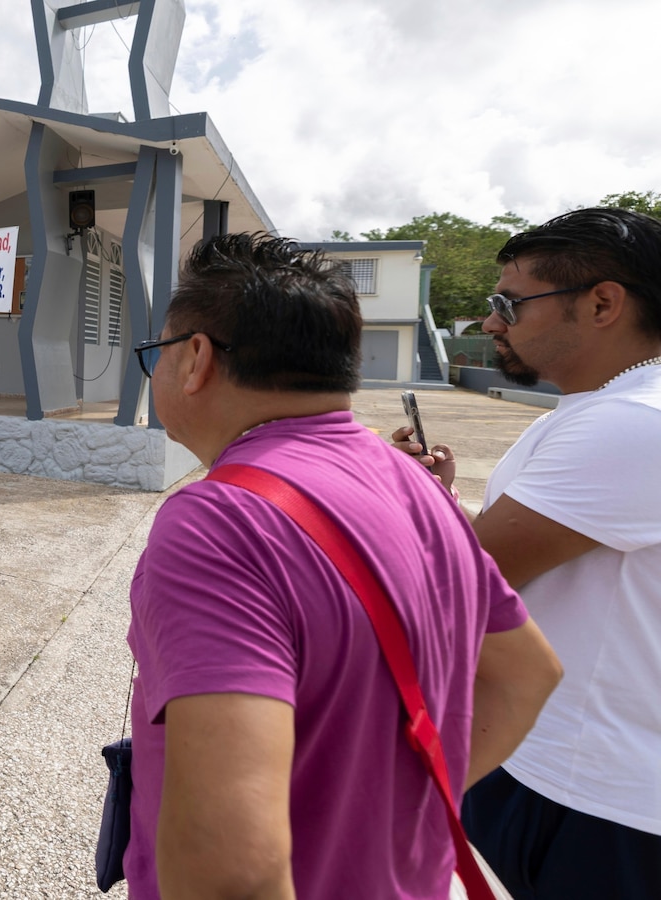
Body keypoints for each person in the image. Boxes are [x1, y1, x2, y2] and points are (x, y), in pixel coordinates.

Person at [125, 232, 561, 899]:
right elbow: (527, 674)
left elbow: (232, 875)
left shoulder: (219, 521)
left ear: (195, 360)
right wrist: (381, 813)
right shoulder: (412, 481)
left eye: (154, 353)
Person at [397, 207, 661, 898]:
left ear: (603, 303)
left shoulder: (630, 424)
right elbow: (508, 558)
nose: (490, 324)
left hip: (595, 798)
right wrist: (441, 505)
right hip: (571, 767)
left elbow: (457, 582)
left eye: (508, 302)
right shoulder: (611, 410)